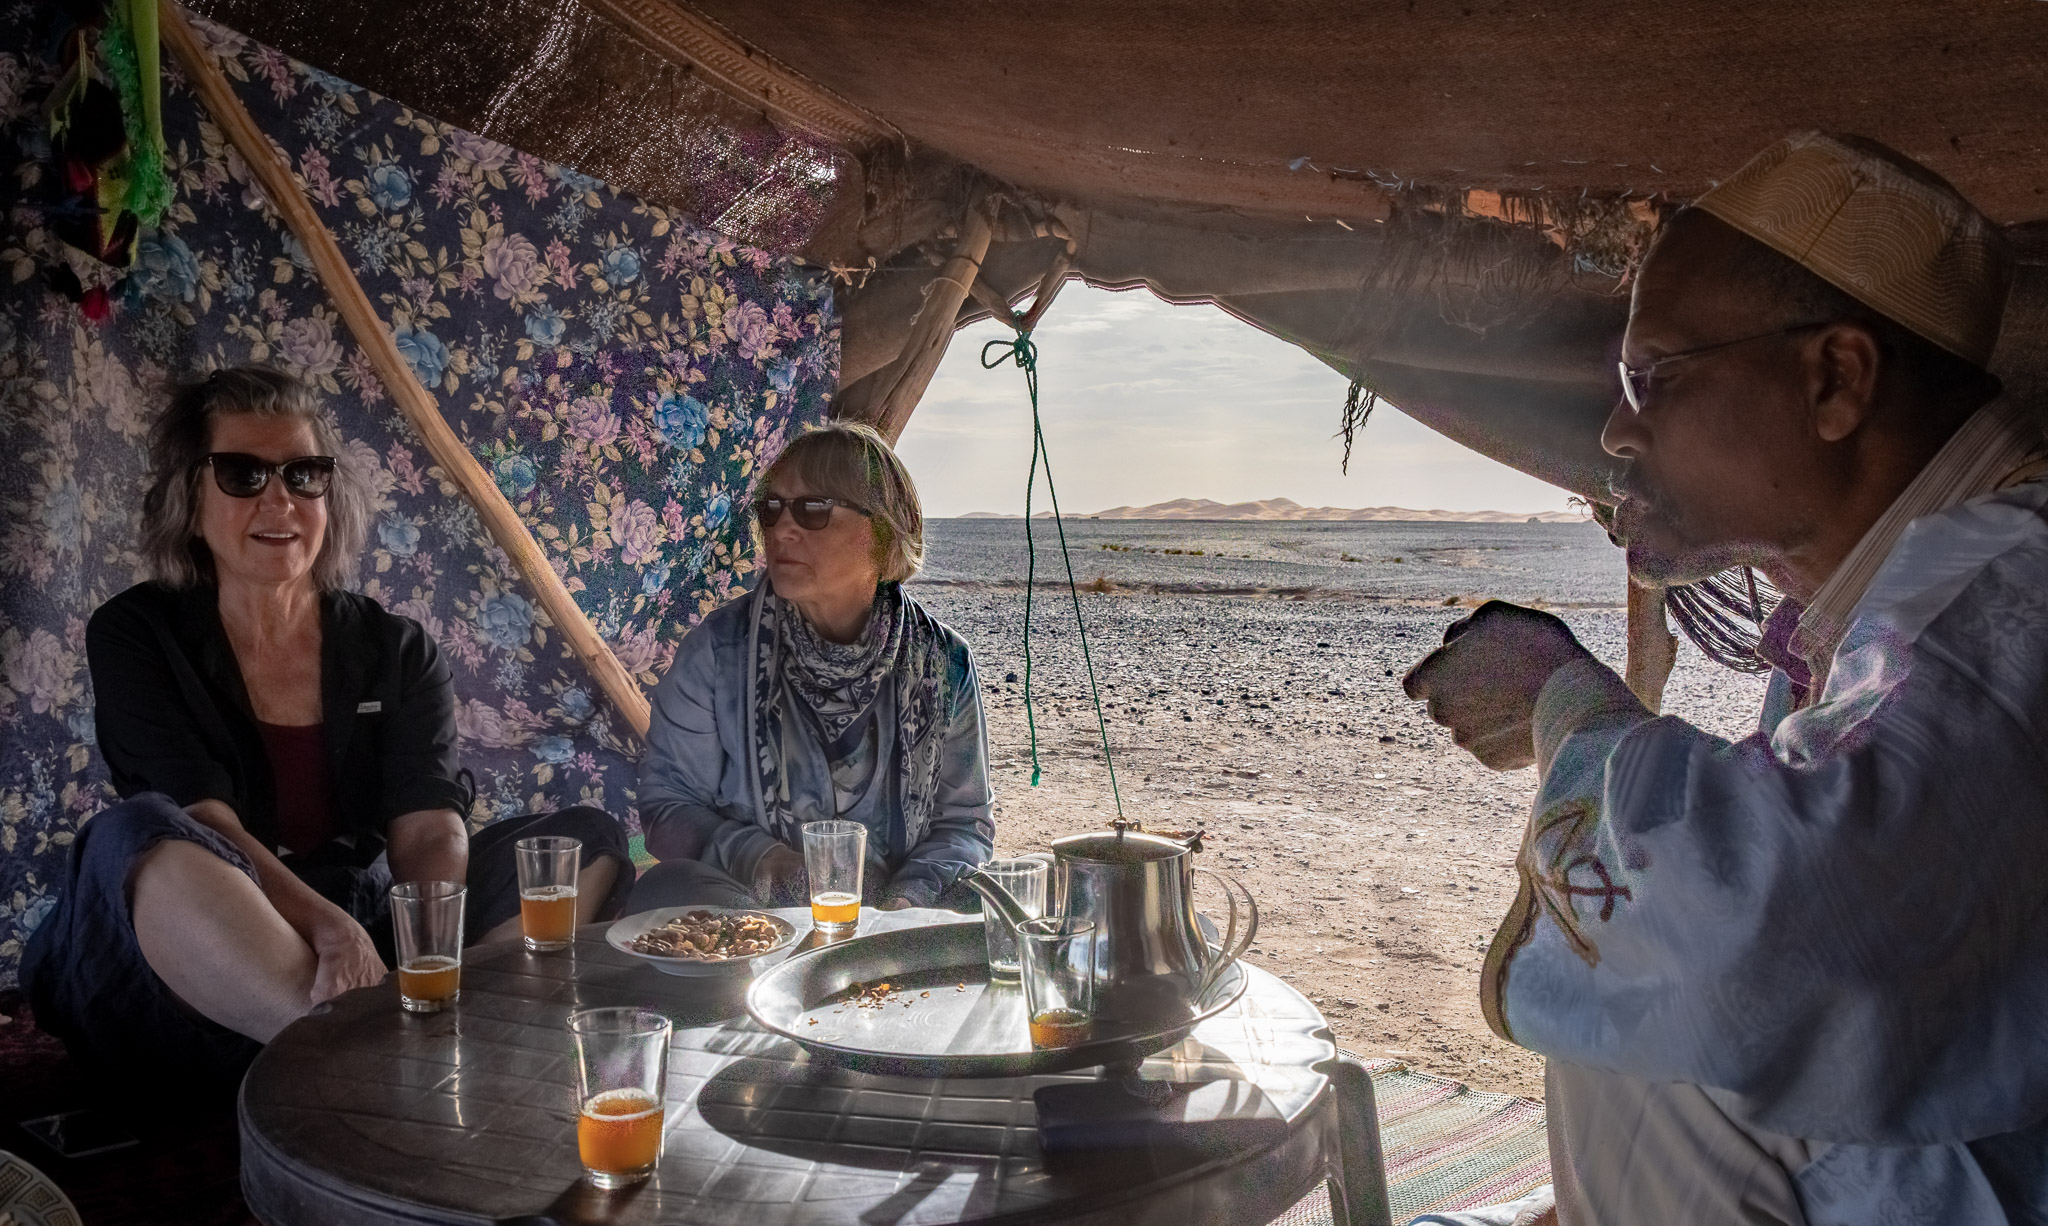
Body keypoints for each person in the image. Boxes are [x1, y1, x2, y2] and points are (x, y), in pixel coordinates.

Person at [1402, 132, 2048, 1224]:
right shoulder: (1894, 592)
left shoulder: (1991, 598)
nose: (1615, 426)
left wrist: (1559, 693)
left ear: (1834, 378)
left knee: (1664, 1028)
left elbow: (1751, 922)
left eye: (1652, 375)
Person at [21, 366, 631, 1102]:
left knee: (580, 842)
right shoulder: (136, 632)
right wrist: (328, 927)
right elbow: (204, 818)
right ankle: (384, 1071)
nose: (279, 497)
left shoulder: (394, 647)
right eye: (243, 473)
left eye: (303, 474)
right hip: (203, 961)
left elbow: (428, 818)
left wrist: (425, 952)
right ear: (190, 499)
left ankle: (438, 1031)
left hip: (368, 937)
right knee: (141, 835)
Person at [633, 421, 994, 913]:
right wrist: (766, 863)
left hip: (897, 909)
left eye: (813, 510)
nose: (783, 529)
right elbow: (667, 803)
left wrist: (907, 903)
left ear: (885, 529)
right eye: (771, 508)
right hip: (754, 911)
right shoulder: (719, 652)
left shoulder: (944, 662)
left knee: (990, 905)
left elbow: (964, 824)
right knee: (667, 890)